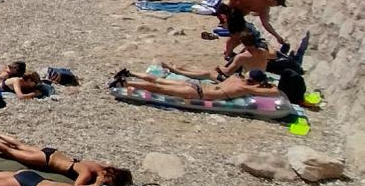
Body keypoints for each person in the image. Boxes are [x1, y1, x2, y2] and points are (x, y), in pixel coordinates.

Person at [0, 132, 133, 186]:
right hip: (46, 161)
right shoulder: (88, 172)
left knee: (20, 145)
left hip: (52, 152)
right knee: (11, 152)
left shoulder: (98, 166)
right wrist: (95, 185)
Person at [113, 67, 277, 101]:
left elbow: (212, 73)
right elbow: (275, 92)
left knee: (159, 81)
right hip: (199, 93)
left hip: (197, 84)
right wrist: (265, 85)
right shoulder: (245, 87)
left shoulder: (235, 78)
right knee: (159, 88)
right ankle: (126, 83)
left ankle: (130, 74)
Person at [164, 28, 271, 79]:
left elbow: (228, 72)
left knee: (209, 73)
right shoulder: (264, 52)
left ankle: (178, 71)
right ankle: (181, 68)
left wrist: (219, 67)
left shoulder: (242, 57)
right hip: (261, 77)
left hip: (249, 80)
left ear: (242, 43)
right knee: (210, 70)